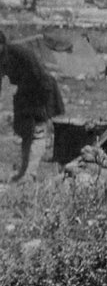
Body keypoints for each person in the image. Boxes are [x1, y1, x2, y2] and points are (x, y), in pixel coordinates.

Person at [0, 31, 65, 183]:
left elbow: (39, 75)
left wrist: (41, 106)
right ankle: (23, 172)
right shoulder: (1, 57)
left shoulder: (19, 53)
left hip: (41, 91)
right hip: (24, 96)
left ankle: (30, 173)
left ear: (2, 44)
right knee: (25, 134)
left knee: (38, 131)